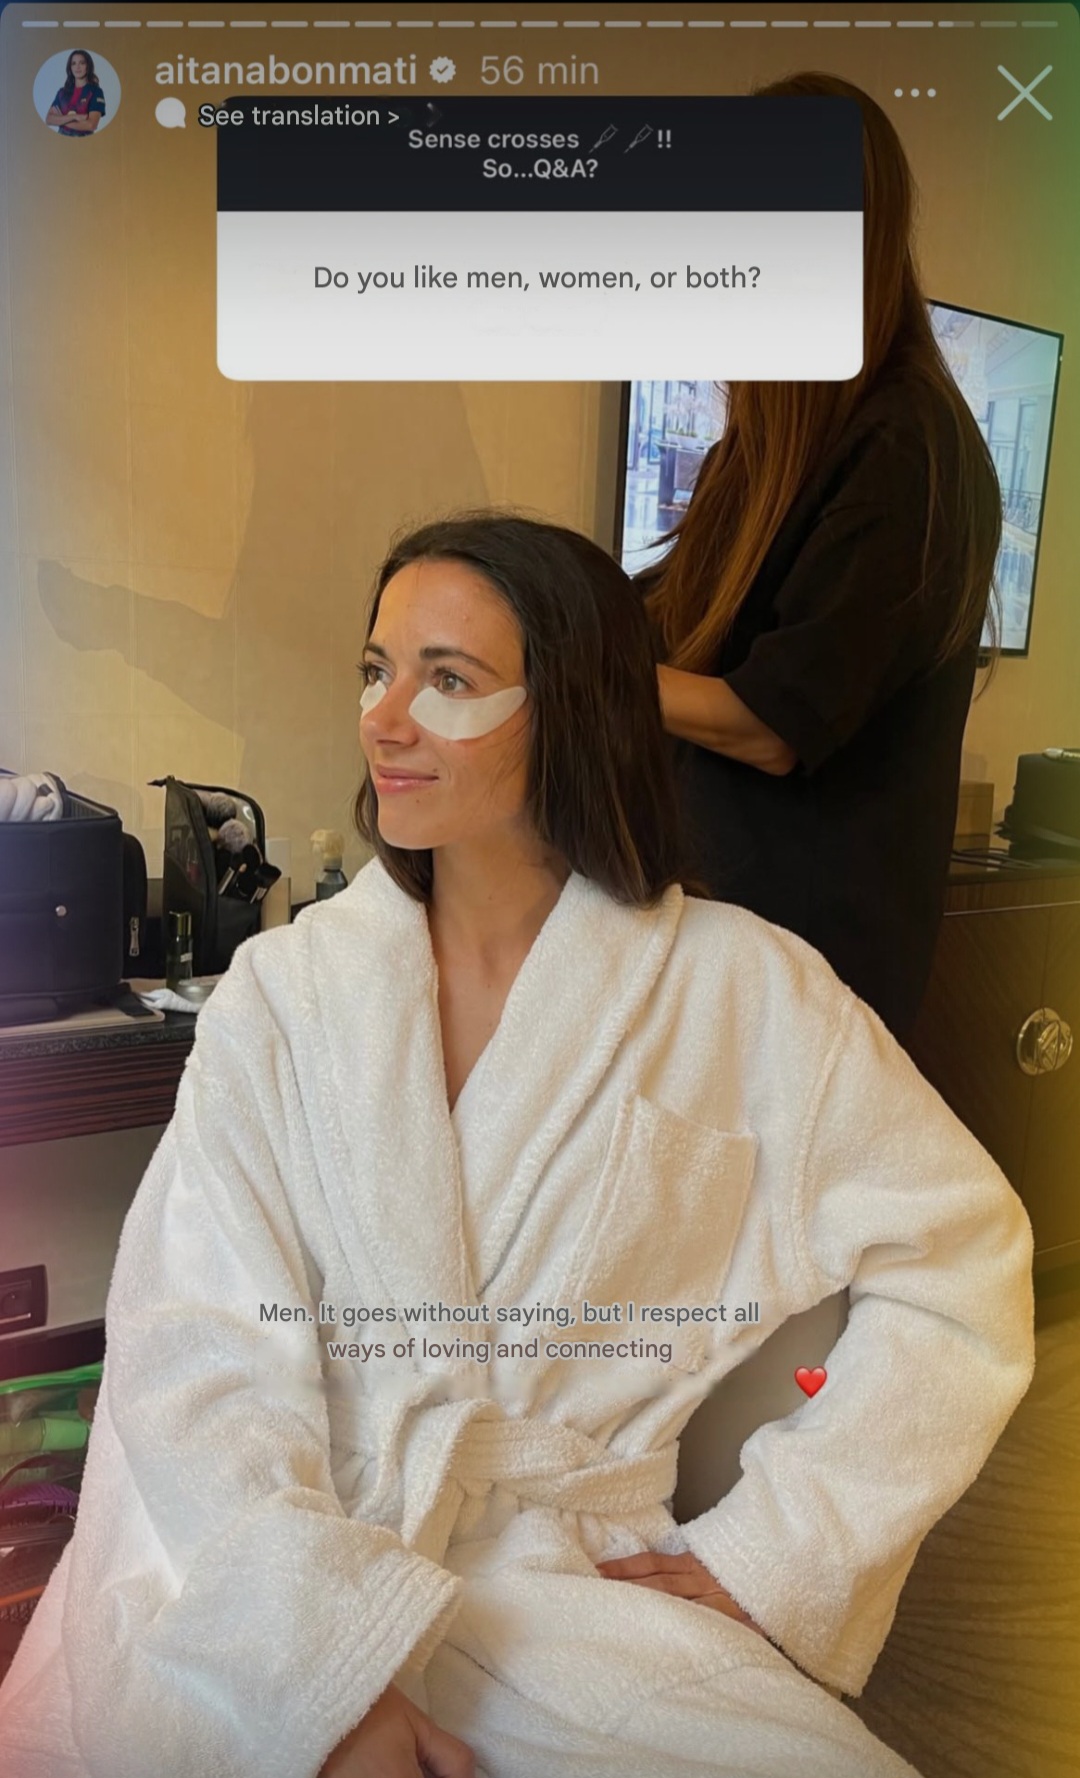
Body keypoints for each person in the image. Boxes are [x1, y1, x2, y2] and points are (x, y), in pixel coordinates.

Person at [0, 515, 1033, 1778]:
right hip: (275, 1570)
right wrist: (322, 1679)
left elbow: (962, 1264)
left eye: (449, 679)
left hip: (571, 1585)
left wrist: (777, 1551)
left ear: (578, 710)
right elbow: (195, 1344)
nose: (385, 718)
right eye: (376, 670)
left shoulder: (744, 994)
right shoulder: (285, 994)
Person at [645, 73, 1002, 1044]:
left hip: (810, 986)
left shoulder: (910, 447)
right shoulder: (764, 457)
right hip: (717, 946)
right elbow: (660, 619)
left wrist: (574, 666)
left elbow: (771, 722)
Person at [45, 51, 105, 138]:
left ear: (88, 66)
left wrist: (61, 119)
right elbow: (49, 119)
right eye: (73, 63)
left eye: (82, 63)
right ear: (70, 68)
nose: (77, 67)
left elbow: (91, 125)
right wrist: (75, 117)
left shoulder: (95, 91)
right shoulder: (62, 92)